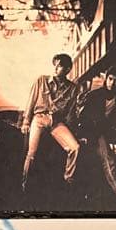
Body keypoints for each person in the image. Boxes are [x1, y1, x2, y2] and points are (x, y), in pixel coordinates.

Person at [21, 53, 82, 191]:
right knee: (31, 153)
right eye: (55, 65)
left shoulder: (73, 88)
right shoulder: (41, 80)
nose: (55, 68)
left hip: (57, 122)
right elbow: (31, 101)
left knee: (75, 148)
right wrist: (26, 121)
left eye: (59, 66)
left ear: (67, 69)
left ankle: (68, 181)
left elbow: (70, 113)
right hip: (39, 119)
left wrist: (74, 132)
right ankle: (25, 185)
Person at [74, 68, 116, 208]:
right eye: (110, 79)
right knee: (108, 160)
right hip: (94, 133)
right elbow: (83, 118)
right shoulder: (95, 95)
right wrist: (84, 135)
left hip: (108, 131)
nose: (112, 83)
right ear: (106, 79)